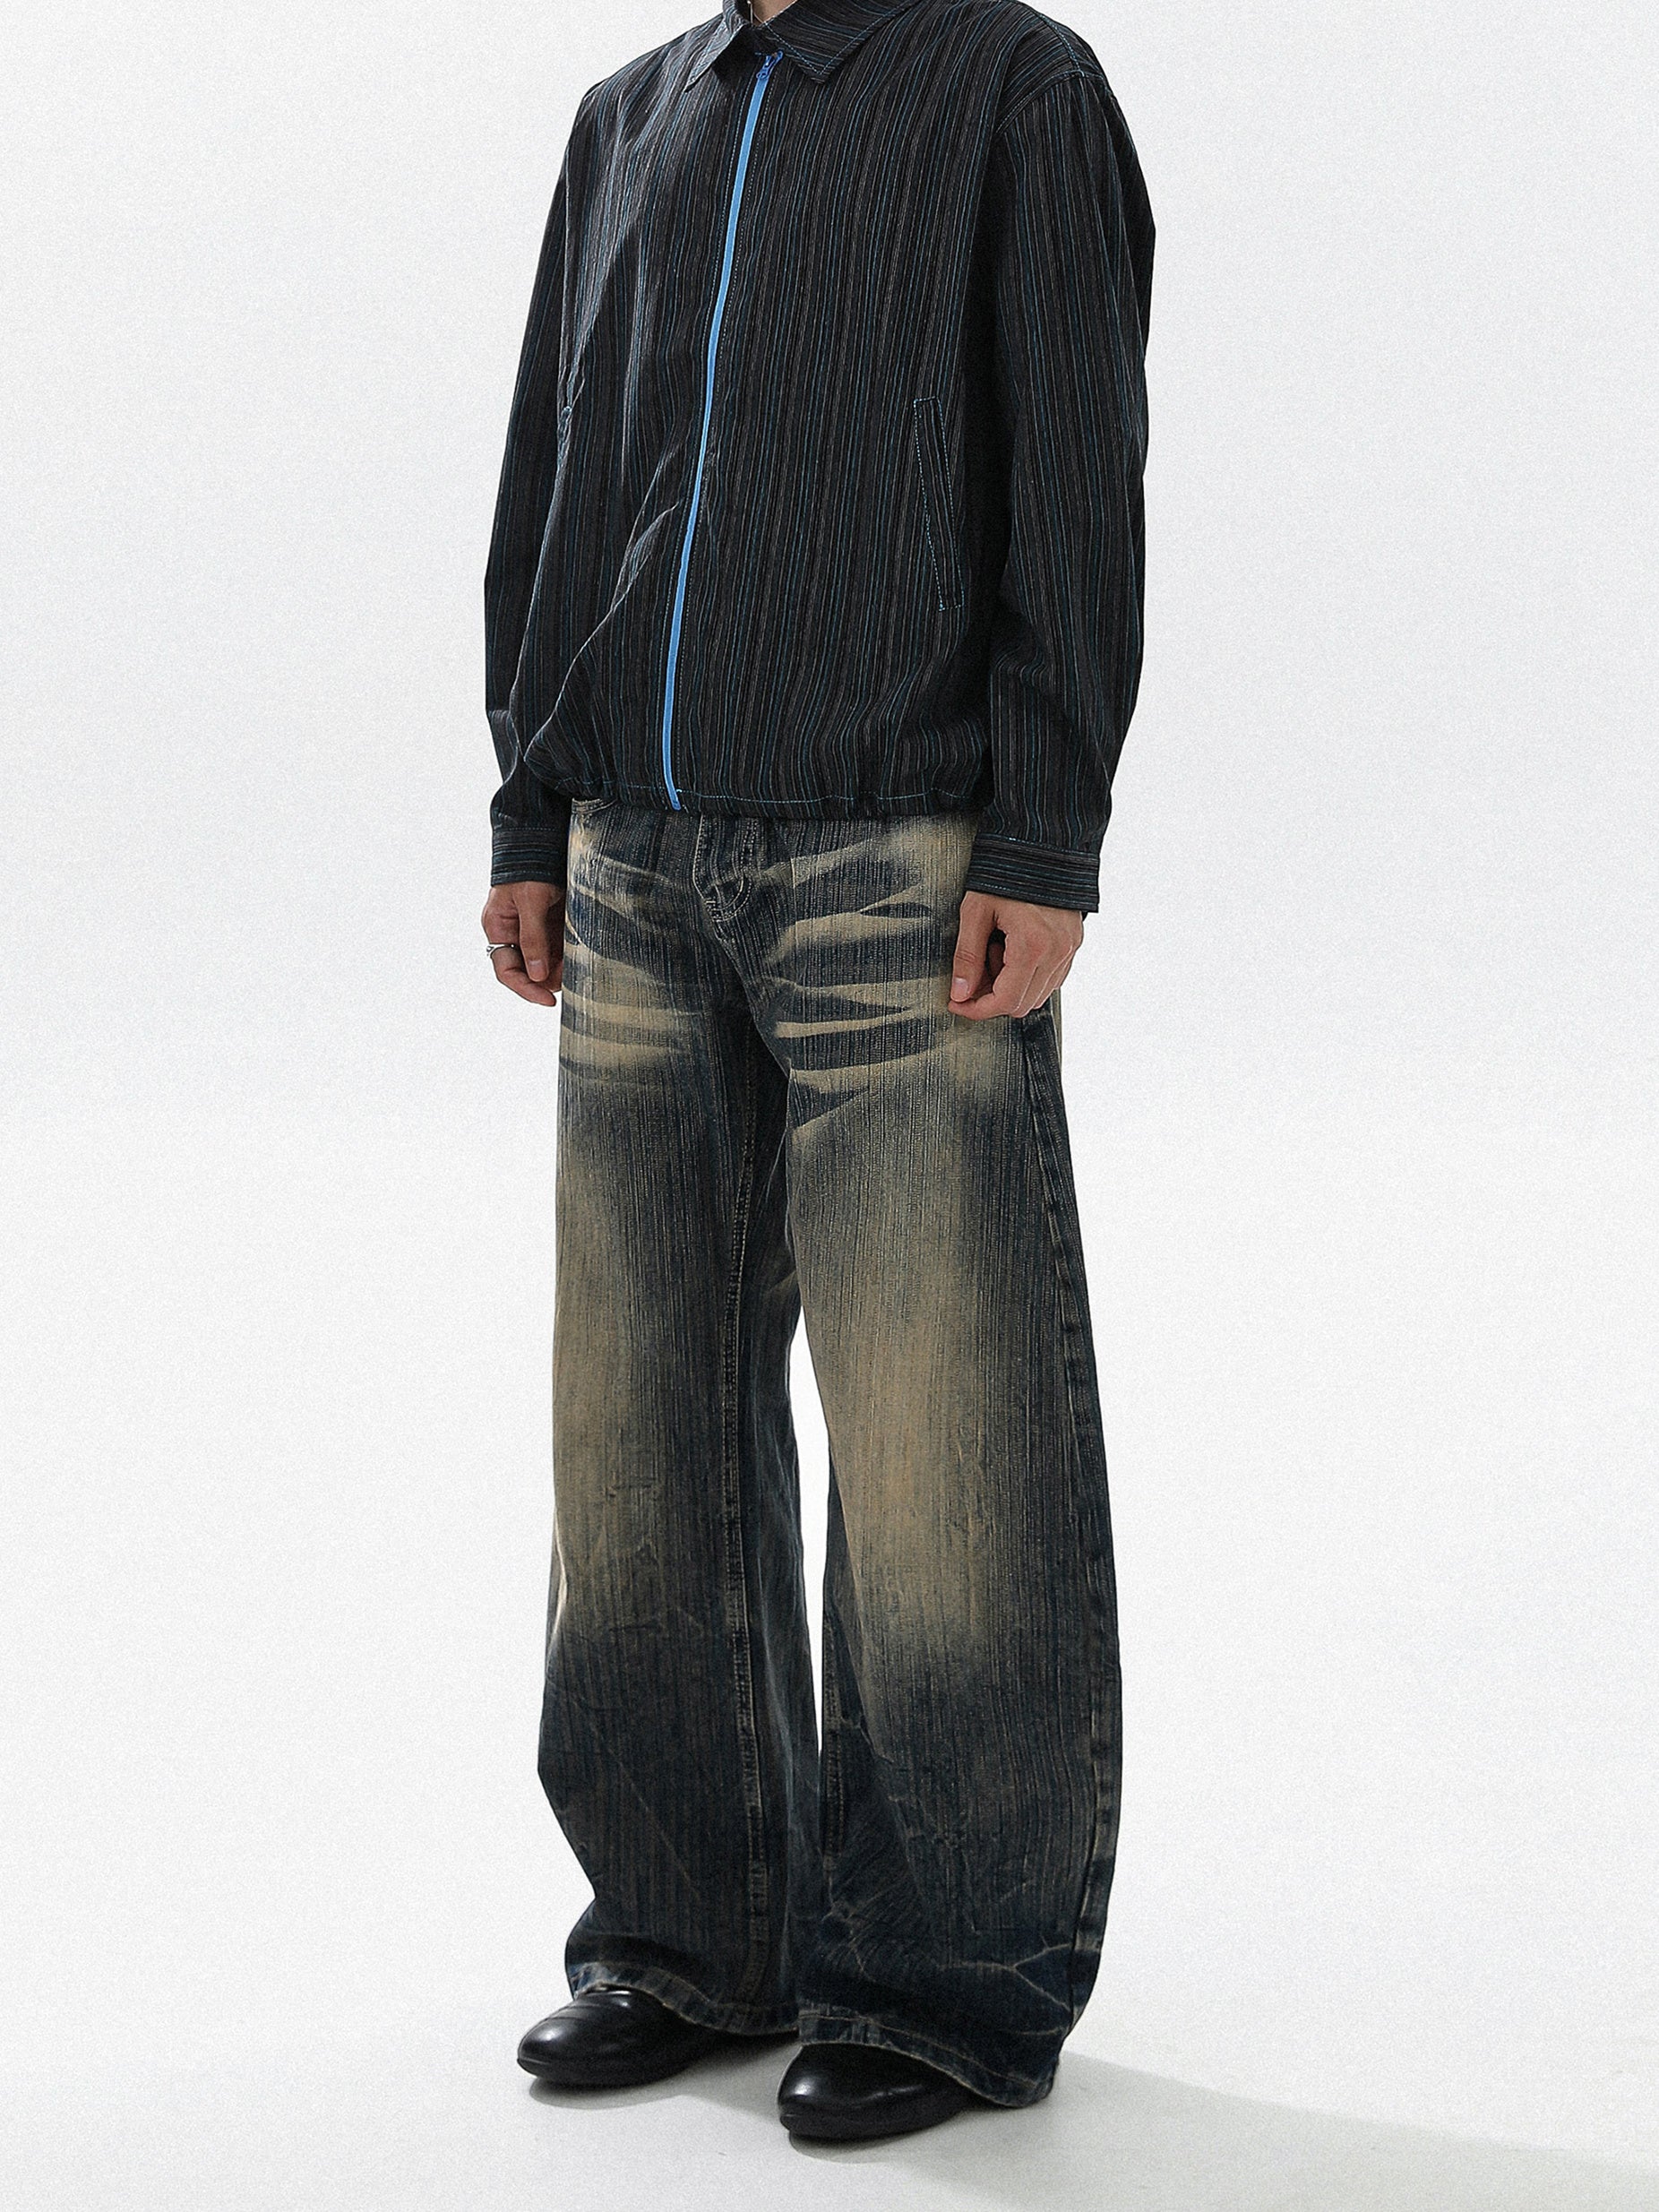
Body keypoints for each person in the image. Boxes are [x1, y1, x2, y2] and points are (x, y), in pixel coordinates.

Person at [479, 0, 1152, 2145]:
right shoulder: (627, 119)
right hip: (631, 862)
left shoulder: (1011, 86)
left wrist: (1042, 831)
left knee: (943, 1432)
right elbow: (559, 470)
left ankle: (948, 1982)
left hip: (902, 863)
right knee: (634, 1427)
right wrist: (531, 805)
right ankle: (688, 1930)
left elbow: (1072, 465)